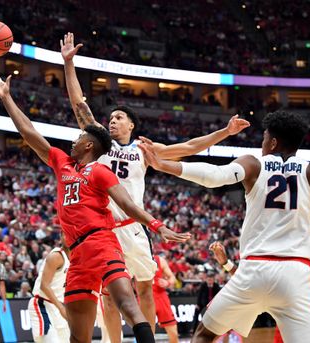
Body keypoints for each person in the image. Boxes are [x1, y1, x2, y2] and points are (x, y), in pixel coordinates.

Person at [60, 32, 250, 340]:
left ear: (131, 124)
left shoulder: (144, 149)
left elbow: (189, 146)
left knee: (145, 287)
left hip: (133, 226)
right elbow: (79, 104)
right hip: (104, 228)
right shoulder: (99, 144)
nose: (111, 121)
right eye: (110, 118)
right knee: (110, 296)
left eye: (118, 118)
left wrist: (224, 132)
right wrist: (69, 63)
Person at [0, 75, 190, 343]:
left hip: (103, 243)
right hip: (77, 255)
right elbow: (29, 133)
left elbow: (127, 204)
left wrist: (157, 225)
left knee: (128, 303)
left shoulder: (101, 171)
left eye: (80, 136)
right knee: (78, 335)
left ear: (89, 145)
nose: (74, 140)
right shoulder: (62, 162)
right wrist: (7, 98)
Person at [140, 110, 310, 343]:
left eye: (264, 138)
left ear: (273, 142)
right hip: (296, 275)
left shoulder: (254, 163)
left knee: (205, 334)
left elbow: (215, 175)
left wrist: (163, 165)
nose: (262, 144)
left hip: (254, 271)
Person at [28, 245, 70, 342]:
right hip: (43, 304)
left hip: (59, 306)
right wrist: (61, 308)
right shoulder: (57, 256)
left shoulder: (76, 257)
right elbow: (44, 285)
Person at [153, 254, 178, 343]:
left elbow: (173, 278)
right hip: (145, 297)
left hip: (161, 297)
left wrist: (167, 282)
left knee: (173, 333)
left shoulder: (159, 260)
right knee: (147, 334)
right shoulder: (135, 258)